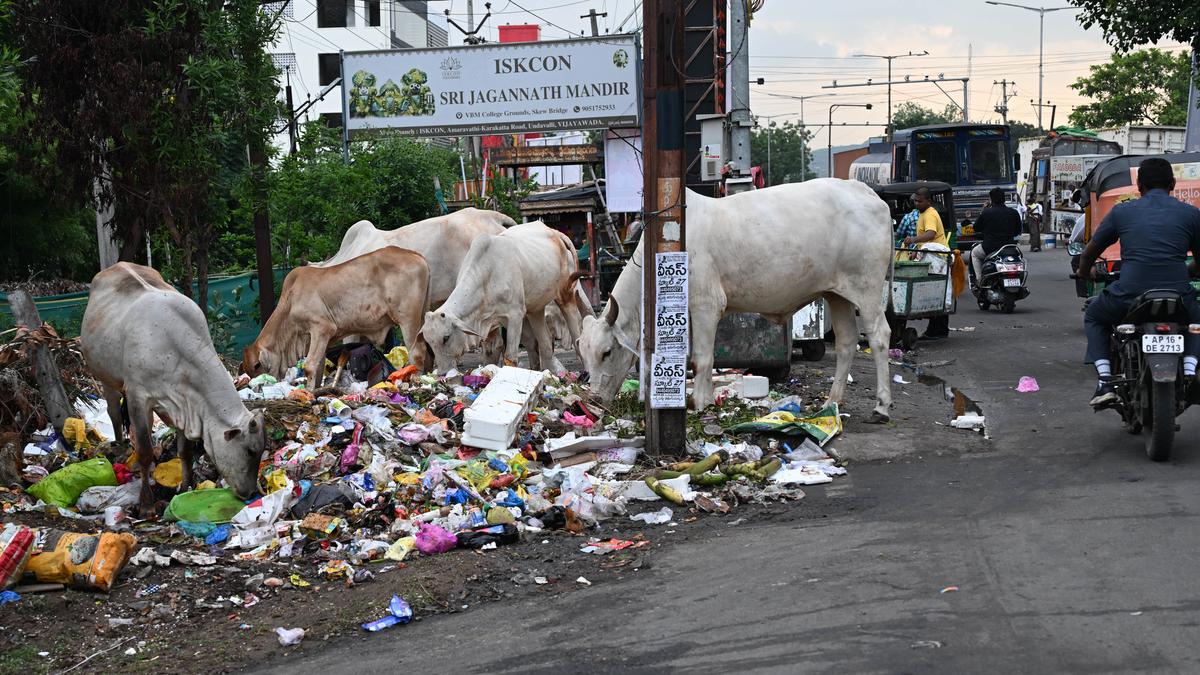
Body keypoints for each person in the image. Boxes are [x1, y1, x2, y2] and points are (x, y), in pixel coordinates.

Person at [1075, 157, 1200, 408]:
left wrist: (1083, 272)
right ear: (1172, 184)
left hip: (1129, 293)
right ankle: (1190, 370)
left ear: (1139, 186)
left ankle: (1105, 380)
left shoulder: (1122, 211)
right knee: (1196, 323)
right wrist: (1183, 275)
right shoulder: (1191, 214)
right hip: (1178, 295)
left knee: (1094, 315)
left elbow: (1090, 251)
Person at [903, 186, 951, 340]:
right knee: (936, 292)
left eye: (920, 201)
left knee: (936, 292)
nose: (917, 204)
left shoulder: (929, 214)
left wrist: (912, 240)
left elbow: (931, 234)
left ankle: (938, 331)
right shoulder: (923, 213)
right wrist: (916, 250)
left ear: (928, 201)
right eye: (915, 201)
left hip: (937, 257)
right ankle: (936, 330)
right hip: (931, 255)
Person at [970, 187, 1023, 283]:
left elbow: (976, 228)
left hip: (990, 248)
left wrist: (984, 210)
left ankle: (979, 279)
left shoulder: (987, 212)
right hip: (1009, 248)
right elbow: (1017, 231)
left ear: (991, 199)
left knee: (974, 253)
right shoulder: (1014, 212)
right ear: (1004, 199)